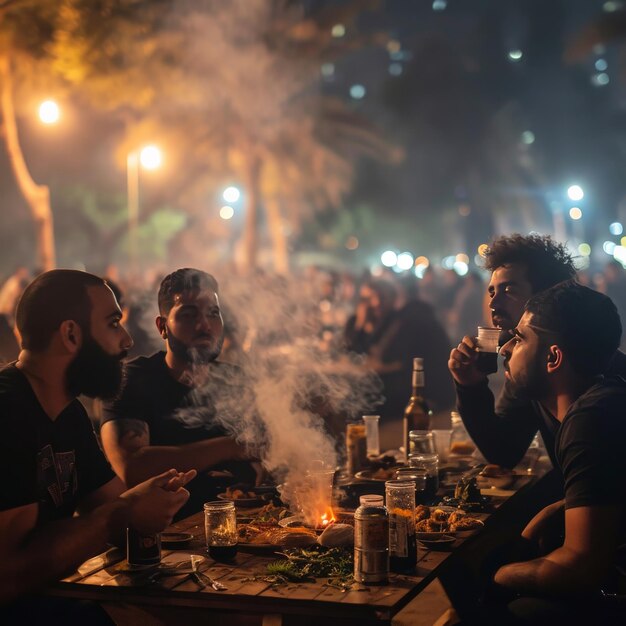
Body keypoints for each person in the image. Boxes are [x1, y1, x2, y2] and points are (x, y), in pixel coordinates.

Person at [0, 269, 194, 619]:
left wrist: (152, 498)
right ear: (71, 334)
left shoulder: (68, 412)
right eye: (112, 323)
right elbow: (8, 576)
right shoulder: (8, 412)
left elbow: (114, 508)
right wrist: (121, 513)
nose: (127, 341)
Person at [468, 282, 626, 624]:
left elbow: (581, 567)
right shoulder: (604, 398)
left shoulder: (591, 420)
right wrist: (552, 511)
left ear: (554, 357)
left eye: (521, 338)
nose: (506, 348)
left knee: (493, 598)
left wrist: (497, 575)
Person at [448, 233, 626, 469]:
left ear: (549, 295)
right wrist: (470, 386)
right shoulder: (530, 366)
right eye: (492, 291)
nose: (493, 304)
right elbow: (504, 450)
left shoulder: (598, 373)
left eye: (508, 289)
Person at [100, 268, 259, 519]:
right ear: (162, 327)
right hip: (167, 535)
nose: (204, 325)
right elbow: (132, 467)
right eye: (188, 314)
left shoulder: (236, 380)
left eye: (213, 314)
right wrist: (232, 446)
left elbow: (266, 450)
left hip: (245, 523)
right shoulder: (131, 380)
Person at [344, 276, 454, 449]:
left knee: (357, 402)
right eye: (368, 299)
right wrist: (361, 326)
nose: (376, 303)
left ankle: (363, 453)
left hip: (426, 392)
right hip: (428, 388)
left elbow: (390, 360)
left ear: (396, 298)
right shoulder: (407, 316)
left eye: (382, 297)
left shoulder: (404, 321)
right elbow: (353, 353)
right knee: (353, 398)